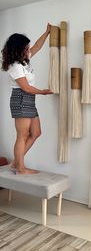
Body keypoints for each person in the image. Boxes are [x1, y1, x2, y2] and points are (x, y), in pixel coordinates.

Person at [1, 24, 53, 174]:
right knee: (22, 135)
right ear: (18, 48)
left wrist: (47, 32)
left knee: (36, 132)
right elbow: (26, 88)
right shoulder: (15, 66)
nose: (28, 49)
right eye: (25, 47)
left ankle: (16, 163)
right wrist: (43, 92)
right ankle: (21, 167)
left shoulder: (24, 60)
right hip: (21, 98)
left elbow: (37, 46)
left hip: (29, 99)